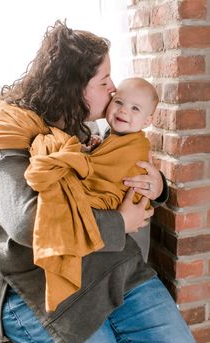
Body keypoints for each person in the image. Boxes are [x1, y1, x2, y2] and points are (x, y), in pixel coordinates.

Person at [0, 20, 200, 343]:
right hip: (42, 288)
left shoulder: (75, 124)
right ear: (74, 85)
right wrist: (119, 224)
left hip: (115, 269)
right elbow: (27, 225)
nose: (113, 90)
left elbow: (110, 169)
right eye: (104, 81)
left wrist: (158, 185)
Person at [23, 77, 159, 312]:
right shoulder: (110, 134)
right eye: (119, 101)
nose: (124, 110)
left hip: (117, 210)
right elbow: (103, 160)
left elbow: (108, 170)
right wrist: (89, 151)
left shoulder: (136, 145)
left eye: (135, 108)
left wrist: (159, 186)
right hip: (113, 233)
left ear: (148, 120)